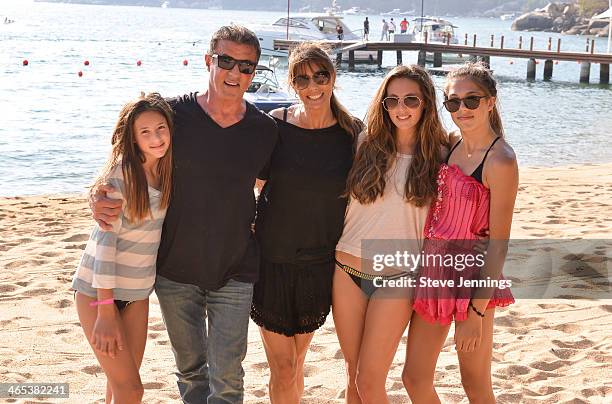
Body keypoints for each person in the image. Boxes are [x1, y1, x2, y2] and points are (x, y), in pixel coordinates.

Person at [90, 25, 278, 403]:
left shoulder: (265, 129)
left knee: (228, 377)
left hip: (236, 269)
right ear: (209, 61)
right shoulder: (173, 116)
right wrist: (97, 192)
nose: (235, 73)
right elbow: (128, 157)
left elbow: (273, 186)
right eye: (226, 62)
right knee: (191, 373)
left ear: (254, 73)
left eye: (246, 67)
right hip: (174, 271)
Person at [251, 42, 363, 404]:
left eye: (320, 76)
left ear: (333, 77)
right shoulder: (275, 126)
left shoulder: (353, 133)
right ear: (292, 83)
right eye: (302, 79)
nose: (312, 86)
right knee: (282, 368)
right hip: (272, 258)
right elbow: (247, 181)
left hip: (320, 263)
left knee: (297, 362)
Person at [333, 65, 448, 403]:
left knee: (370, 381)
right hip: (346, 271)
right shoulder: (363, 143)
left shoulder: (442, 155)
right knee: (353, 378)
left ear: (426, 102)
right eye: (392, 100)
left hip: (398, 276)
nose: (401, 108)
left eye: (411, 99)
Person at [404, 62, 518, 403]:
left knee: (475, 383)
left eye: (472, 100)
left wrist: (477, 313)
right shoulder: (450, 144)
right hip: (435, 276)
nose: (462, 109)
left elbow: (498, 245)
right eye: (453, 103)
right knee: (414, 378)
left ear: (490, 102)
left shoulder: (501, 161)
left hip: (474, 280)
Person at [73, 92, 174, 403]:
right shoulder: (121, 177)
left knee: (119, 388)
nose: (156, 138)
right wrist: (105, 311)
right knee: (132, 390)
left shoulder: (167, 170)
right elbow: (105, 243)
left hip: (137, 294)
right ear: (132, 138)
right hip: (98, 294)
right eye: (145, 132)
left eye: (161, 128)